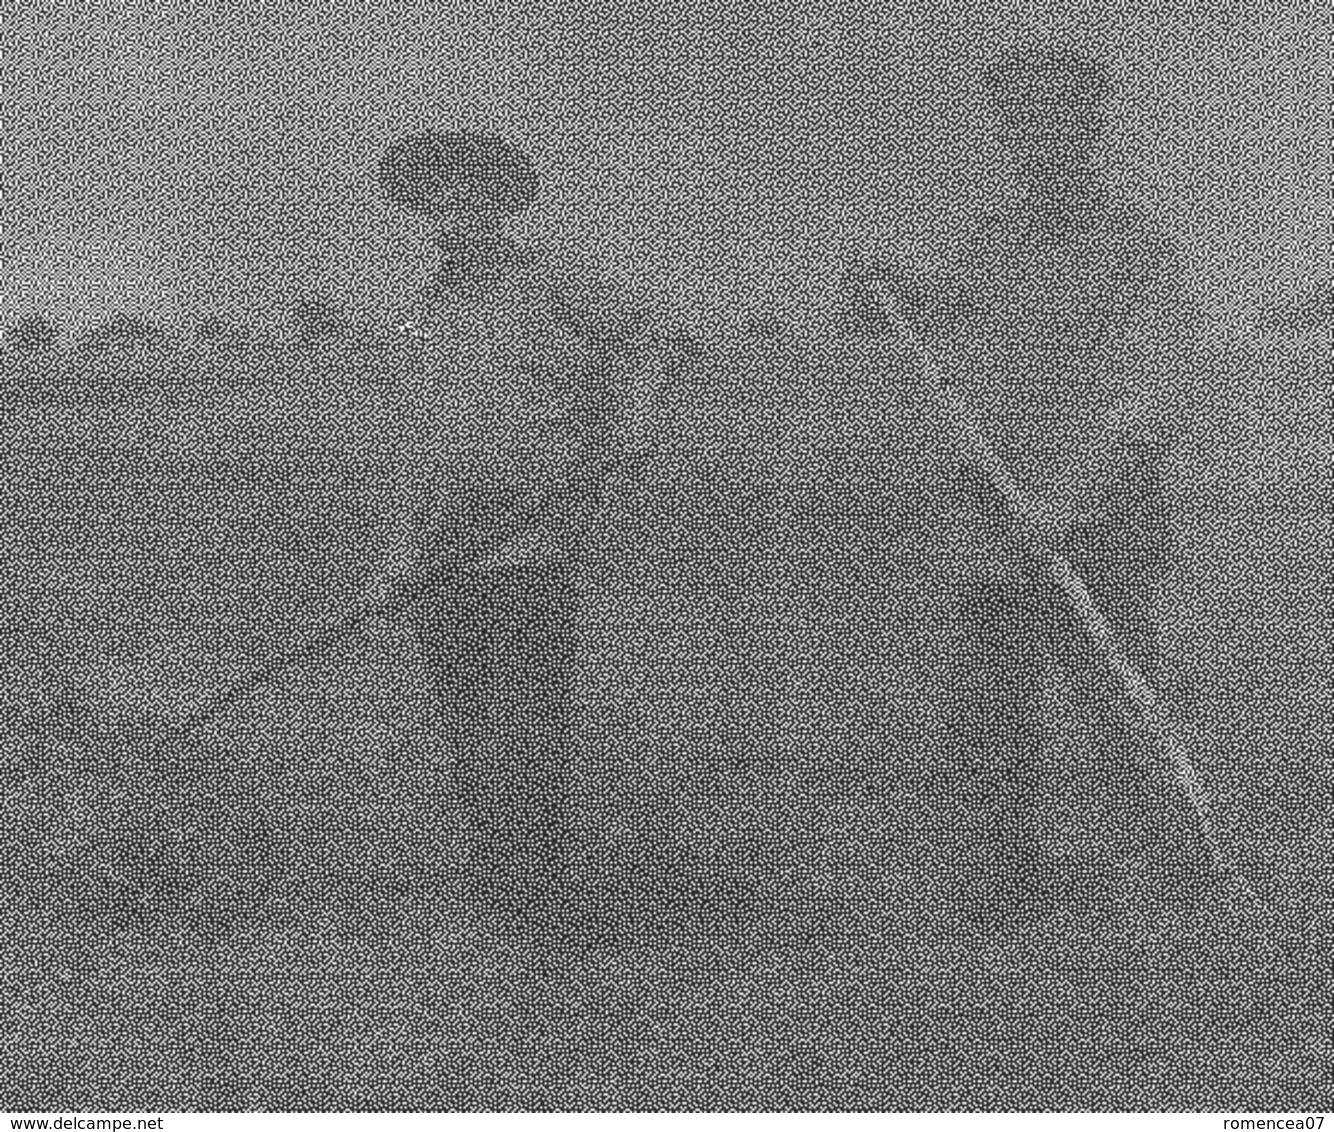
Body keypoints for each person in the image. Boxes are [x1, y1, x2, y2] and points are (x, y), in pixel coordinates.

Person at [846, 42, 1211, 927]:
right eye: (1026, 121)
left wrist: (1074, 498)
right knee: (988, 707)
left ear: (1090, 130)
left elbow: (1152, 394)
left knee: (1119, 703)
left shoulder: (1137, 243)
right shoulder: (983, 237)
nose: (1045, 139)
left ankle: (1166, 882)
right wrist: (875, 288)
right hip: (991, 509)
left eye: (1063, 120)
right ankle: (1001, 883)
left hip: (1104, 513)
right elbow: (924, 312)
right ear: (1010, 133)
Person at [378, 129, 657, 933]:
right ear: (423, 206)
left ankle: (534, 885)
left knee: (527, 713)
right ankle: (492, 874)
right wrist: (397, 555)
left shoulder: (554, 279)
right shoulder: (425, 308)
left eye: (474, 189)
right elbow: (421, 441)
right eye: (439, 190)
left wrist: (630, 427)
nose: (455, 202)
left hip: (533, 542)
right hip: (441, 555)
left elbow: (648, 336)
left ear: (503, 202)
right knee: (464, 714)